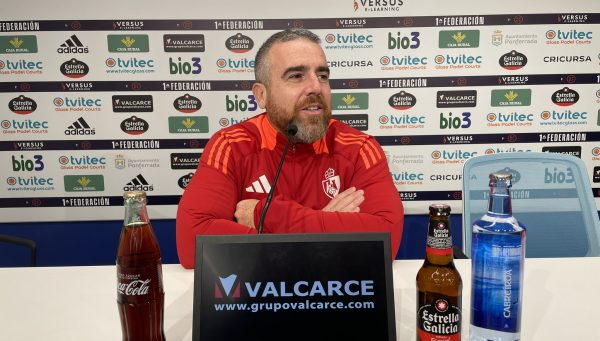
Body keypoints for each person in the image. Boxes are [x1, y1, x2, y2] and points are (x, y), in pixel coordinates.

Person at [176, 28, 404, 269]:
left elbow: (385, 240)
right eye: (296, 76)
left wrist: (266, 216)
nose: (316, 87)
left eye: (323, 75)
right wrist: (327, 229)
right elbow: (193, 243)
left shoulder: (359, 148)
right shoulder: (231, 145)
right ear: (261, 95)